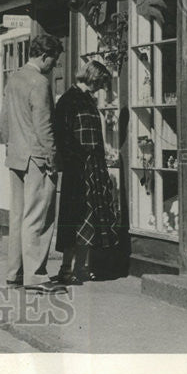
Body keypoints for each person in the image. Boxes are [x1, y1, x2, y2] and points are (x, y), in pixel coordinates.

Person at [2, 33, 65, 293]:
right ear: (44, 56)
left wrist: (12, 145)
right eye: (54, 60)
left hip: (16, 155)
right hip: (37, 158)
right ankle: (36, 277)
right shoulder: (39, 82)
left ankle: (14, 273)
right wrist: (51, 157)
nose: (54, 66)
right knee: (38, 218)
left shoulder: (14, 78)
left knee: (17, 216)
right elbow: (44, 126)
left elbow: (4, 120)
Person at [53, 60, 121, 283]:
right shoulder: (69, 100)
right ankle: (66, 269)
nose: (102, 88)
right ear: (93, 78)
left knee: (91, 220)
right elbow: (62, 137)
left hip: (95, 167)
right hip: (79, 169)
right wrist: (77, 161)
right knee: (75, 219)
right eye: (101, 83)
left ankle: (82, 268)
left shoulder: (87, 100)